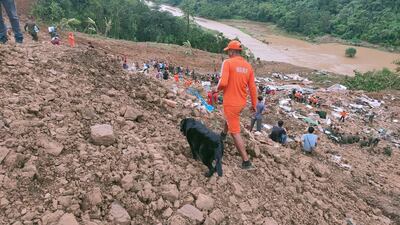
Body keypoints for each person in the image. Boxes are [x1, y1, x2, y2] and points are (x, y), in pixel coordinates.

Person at [217, 40, 257, 170]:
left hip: (231, 102)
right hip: (241, 103)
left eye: (229, 51)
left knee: (235, 132)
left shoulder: (227, 63)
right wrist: (254, 104)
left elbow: (223, 83)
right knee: (230, 119)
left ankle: (246, 162)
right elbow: (252, 88)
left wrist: (215, 89)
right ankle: (223, 135)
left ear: (232, 51)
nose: (228, 53)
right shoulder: (248, 66)